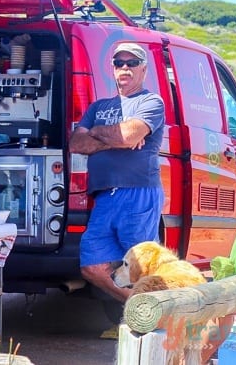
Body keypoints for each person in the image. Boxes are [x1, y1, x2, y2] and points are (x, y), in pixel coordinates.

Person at [69, 42, 165, 329]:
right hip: (104, 197)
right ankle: (140, 307)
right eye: (119, 63)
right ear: (112, 68)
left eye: (131, 63)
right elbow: (76, 143)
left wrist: (98, 134)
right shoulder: (99, 106)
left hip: (138, 192)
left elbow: (129, 134)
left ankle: (156, 320)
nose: (124, 68)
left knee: (142, 266)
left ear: (143, 69)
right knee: (92, 266)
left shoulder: (151, 102)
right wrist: (113, 137)